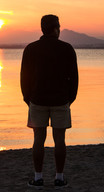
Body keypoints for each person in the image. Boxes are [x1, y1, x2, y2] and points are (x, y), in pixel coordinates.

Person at [20, 14, 78, 189]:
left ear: (42, 29)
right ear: (55, 28)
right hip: (61, 100)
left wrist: (27, 98)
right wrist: (70, 98)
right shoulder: (67, 48)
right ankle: (59, 178)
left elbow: (24, 77)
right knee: (59, 139)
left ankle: (38, 178)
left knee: (39, 139)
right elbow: (74, 78)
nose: (59, 29)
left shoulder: (31, 49)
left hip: (37, 100)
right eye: (59, 26)